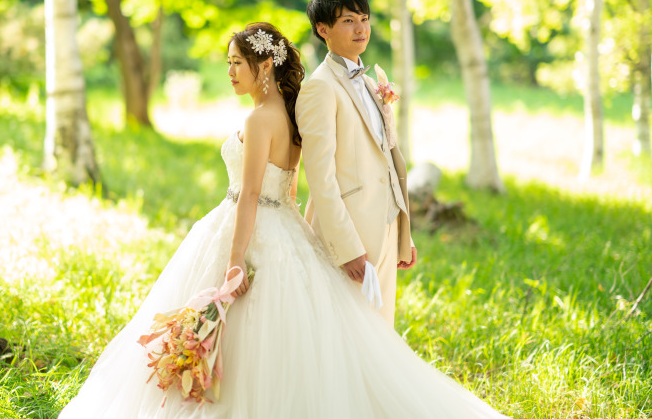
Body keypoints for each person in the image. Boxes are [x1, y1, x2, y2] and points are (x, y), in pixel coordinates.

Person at [58, 23, 508, 418]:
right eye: (229, 62)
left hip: (247, 226)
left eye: (238, 62)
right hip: (287, 227)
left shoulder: (258, 121)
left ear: (265, 66)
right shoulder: (290, 117)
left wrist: (235, 264)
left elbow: (251, 195)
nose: (231, 71)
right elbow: (290, 192)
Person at [296, 0, 415, 327]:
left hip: (386, 224)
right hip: (348, 234)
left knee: (380, 330)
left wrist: (403, 233)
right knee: (347, 334)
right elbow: (320, 178)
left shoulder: (368, 79)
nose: (361, 28)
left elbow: (387, 156)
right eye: (348, 21)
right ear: (323, 30)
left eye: (364, 18)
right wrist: (347, 249)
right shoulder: (319, 88)